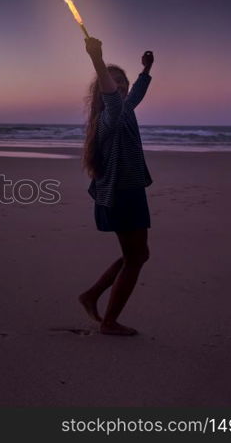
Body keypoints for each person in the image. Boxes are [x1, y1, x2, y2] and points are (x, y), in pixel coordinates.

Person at [78, 37, 154, 336]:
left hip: (130, 192)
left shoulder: (125, 110)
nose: (121, 87)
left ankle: (91, 296)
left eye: (123, 82)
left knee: (137, 255)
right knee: (136, 258)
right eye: (114, 83)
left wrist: (145, 71)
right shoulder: (110, 115)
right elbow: (113, 94)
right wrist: (97, 58)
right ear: (104, 90)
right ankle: (108, 322)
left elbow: (135, 94)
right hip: (122, 196)